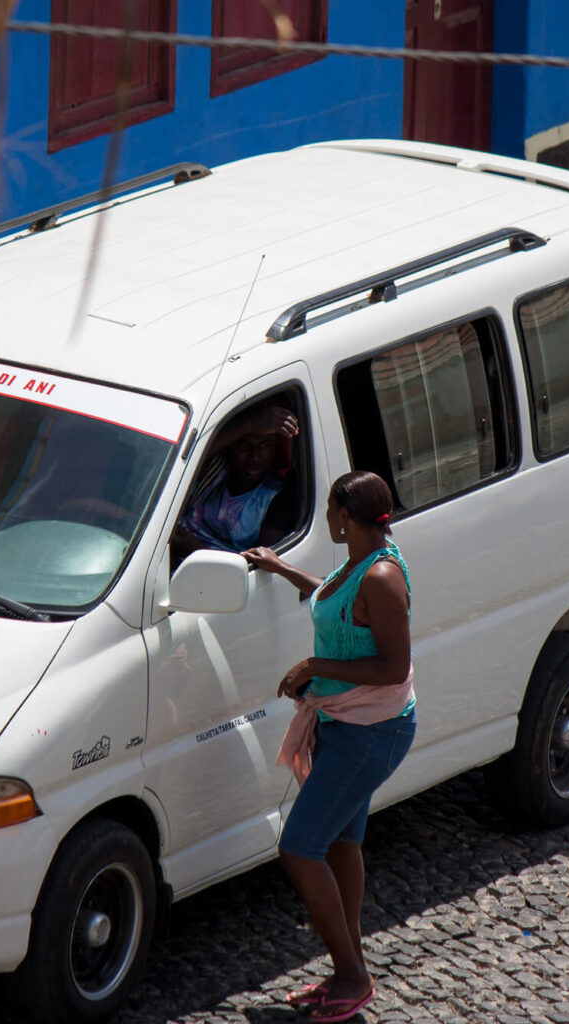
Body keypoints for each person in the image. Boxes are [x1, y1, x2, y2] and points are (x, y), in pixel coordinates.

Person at [243, 471, 416, 1023]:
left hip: (372, 733)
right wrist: (279, 566)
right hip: (348, 726)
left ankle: (352, 976)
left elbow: (392, 668)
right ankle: (348, 970)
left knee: (299, 847)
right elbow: (334, 598)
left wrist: (314, 666)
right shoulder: (360, 559)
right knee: (342, 844)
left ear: (344, 518)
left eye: (329, 510)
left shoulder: (384, 576)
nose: (324, 518)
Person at [172, 403, 298, 562]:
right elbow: (187, 458)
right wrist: (250, 425)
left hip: (221, 573)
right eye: (244, 444)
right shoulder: (216, 468)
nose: (255, 455)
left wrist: (196, 548)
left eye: (265, 445)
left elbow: (264, 565)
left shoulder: (276, 496)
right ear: (230, 446)